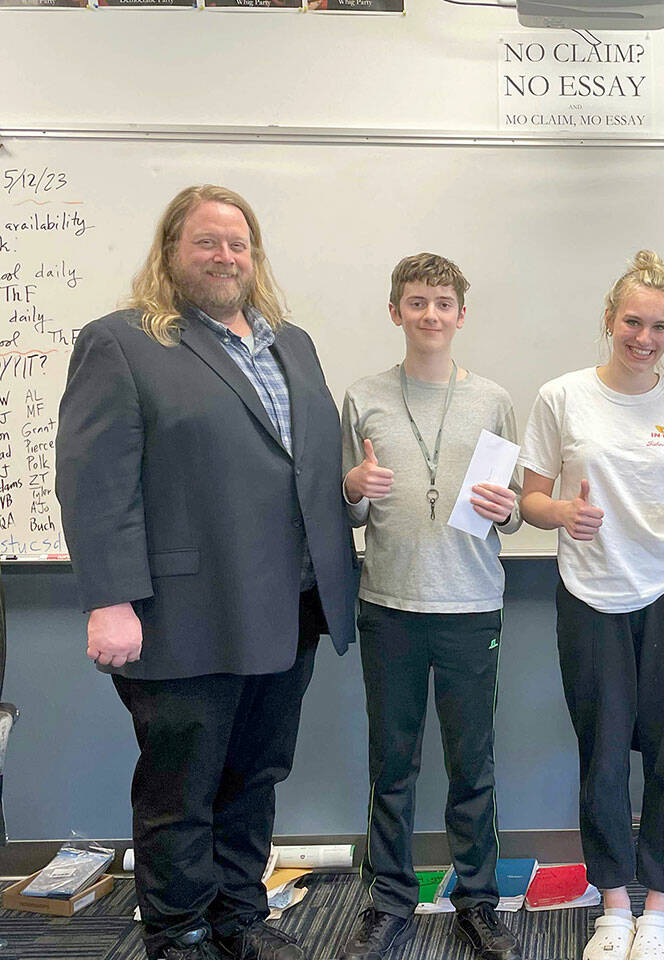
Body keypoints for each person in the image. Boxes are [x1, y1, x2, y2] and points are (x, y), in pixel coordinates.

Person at [55, 185, 358, 960]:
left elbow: (300, 467)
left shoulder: (291, 343)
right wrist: (109, 599)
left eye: (239, 243)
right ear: (170, 252)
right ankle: (180, 932)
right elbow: (95, 482)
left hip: (290, 604)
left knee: (254, 776)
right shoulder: (121, 342)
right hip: (182, 608)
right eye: (208, 242)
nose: (226, 257)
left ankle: (237, 917)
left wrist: (347, 493)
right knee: (180, 788)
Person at [518, 251, 664, 960]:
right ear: (609, 320)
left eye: (659, 327)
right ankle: (613, 904)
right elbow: (531, 498)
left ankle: (660, 909)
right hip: (589, 593)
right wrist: (558, 516)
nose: (644, 337)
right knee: (602, 755)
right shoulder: (562, 397)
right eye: (632, 322)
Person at [337, 253, 523, 960]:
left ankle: (477, 900)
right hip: (388, 604)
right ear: (395, 312)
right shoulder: (363, 397)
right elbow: (348, 508)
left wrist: (508, 511)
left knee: (472, 763)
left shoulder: (495, 400)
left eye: (443, 303)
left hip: (472, 606)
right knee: (393, 762)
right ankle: (390, 903)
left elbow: (505, 517)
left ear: (461, 315)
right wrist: (353, 485)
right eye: (417, 302)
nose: (431, 315)